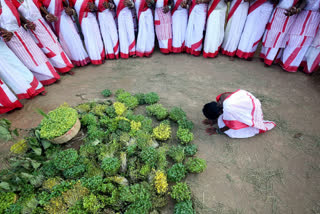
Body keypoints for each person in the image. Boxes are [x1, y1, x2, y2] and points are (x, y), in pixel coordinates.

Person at [0, 0, 60, 85]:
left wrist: (25, 23)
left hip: (21, 30)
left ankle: (52, 75)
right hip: (9, 35)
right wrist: (4, 32)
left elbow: (16, 13)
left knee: (38, 55)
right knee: (27, 60)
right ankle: (42, 81)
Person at [11, 0, 74, 73]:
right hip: (32, 28)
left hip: (42, 24)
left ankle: (65, 67)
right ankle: (53, 70)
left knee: (54, 46)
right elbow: (17, 17)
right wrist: (26, 24)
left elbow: (41, 8)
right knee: (43, 50)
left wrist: (47, 15)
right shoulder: (13, 2)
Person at [202, 89, 276, 138]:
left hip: (252, 109)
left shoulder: (228, 110)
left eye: (215, 118)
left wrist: (218, 131)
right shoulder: (221, 98)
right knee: (224, 118)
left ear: (219, 112)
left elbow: (230, 126)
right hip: (248, 98)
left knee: (232, 132)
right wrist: (214, 120)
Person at [39, 0, 90, 66]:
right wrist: (48, 16)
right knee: (65, 40)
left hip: (64, 17)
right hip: (55, 21)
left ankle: (82, 58)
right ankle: (73, 60)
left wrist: (69, 10)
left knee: (73, 37)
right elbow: (42, 11)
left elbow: (67, 5)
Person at [280, 0, 319, 72]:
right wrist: (297, 9)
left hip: (315, 18)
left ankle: (296, 65)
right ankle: (286, 63)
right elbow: (303, 3)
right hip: (303, 15)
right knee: (295, 39)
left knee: (306, 42)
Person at [259, 0, 301, 66]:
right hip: (278, 11)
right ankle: (264, 55)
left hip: (290, 14)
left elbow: (302, 2)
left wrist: (296, 9)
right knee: (271, 34)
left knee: (280, 37)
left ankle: (270, 59)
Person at [70, 0, 105, 64]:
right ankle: (95, 58)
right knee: (89, 39)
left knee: (97, 36)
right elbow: (72, 9)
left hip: (91, 17)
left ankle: (101, 56)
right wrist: (72, 11)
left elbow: (94, 7)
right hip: (83, 19)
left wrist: (93, 7)